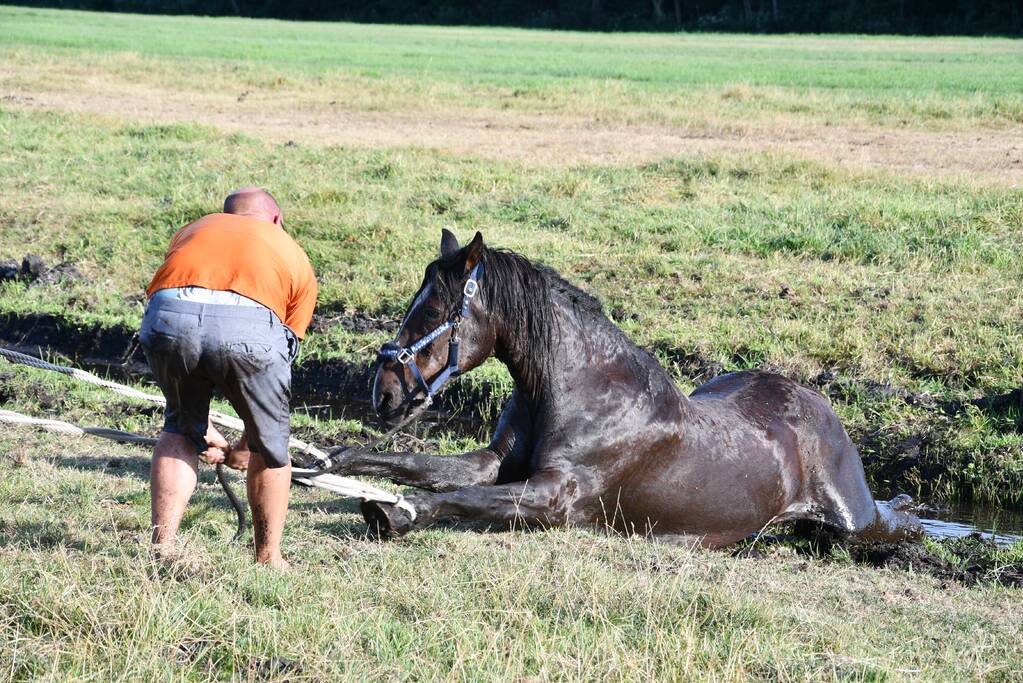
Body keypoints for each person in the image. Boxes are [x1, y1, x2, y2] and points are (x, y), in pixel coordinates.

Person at [140, 188, 317, 569]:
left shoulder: (194, 230)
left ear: (227, 215)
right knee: (272, 449)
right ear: (275, 221)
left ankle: (163, 549)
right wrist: (248, 444)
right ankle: (268, 557)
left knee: (178, 430)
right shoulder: (291, 251)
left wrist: (204, 429)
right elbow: (276, 367)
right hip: (250, 329)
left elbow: (175, 302)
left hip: (168, 316)